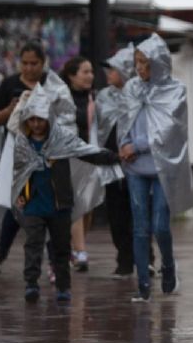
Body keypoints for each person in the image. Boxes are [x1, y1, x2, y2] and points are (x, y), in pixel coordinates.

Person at [11, 85, 120, 302]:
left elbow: (85, 151)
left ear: (49, 118)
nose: (36, 124)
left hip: (59, 204)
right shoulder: (23, 143)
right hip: (33, 204)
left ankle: (63, 286)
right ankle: (31, 283)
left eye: (40, 119)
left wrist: (113, 157)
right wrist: (22, 195)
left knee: (61, 247)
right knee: (33, 245)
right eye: (31, 120)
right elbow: (19, 172)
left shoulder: (61, 139)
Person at [120, 33, 193, 302]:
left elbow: (170, 129)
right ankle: (143, 286)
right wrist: (124, 144)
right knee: (140, 227)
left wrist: (137, 145)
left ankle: (168, 266)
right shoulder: (131, 88)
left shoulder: (175, 90)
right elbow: (123, 119)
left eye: (146, 63)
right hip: (135, 168)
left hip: (164, 166)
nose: (140, 68)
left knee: (160, 225)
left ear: (160, 63)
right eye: (137, 62)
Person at [0, 41, 49, 275]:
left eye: (34, 63)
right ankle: (1, 252)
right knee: (17, 205)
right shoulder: (9, 84)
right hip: (16, 152)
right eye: (25, 63)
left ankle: (55, 261)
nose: (29, 68)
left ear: (43, 64)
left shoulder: (51, 84)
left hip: (45, 152)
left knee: (47, 203)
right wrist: (10, 109)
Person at [97, 45, 137, 277]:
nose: (108, 74)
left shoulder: (139, 95)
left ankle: (145, 258)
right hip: (111, 162)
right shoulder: (104, 97)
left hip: (135, 162)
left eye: (113, 69)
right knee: (116, 214)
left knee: (138, 213)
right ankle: (123, 259)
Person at [60, 56, 97, 271]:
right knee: (76, 205)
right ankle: (79, 250)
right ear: (71, 75)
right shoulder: (62, 98)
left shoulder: (93, 98)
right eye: (85, 72)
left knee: (88, 206)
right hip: (68, 158)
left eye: (91, 71)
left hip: (90, 158)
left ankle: (75, 246)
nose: (90, 76)